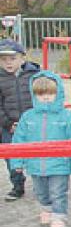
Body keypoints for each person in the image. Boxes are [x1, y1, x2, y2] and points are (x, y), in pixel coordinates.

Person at [10, 72, 71, 227]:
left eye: (50, 93)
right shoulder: (27, 117)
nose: (46, 97)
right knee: (40, 192)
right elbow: (18, 140)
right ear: (34, 95)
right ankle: (46, 208)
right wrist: (16, 163)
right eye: (41, 94)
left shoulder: (67, 116)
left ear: (58, 93)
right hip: (35, 165)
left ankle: (59, 218)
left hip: (60, 164)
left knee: (58, 192)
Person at [0, 38, 40, 201]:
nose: (8, 63)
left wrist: (36, 120)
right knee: (11, 157)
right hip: (10, 125)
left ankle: (41, 184)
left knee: (38, 155)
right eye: (3, 59)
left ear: (23, 58)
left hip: (33, 124)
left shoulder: (35, 74)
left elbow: (42, 97)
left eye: (12, 58)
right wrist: (8, 124)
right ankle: (17, 185)